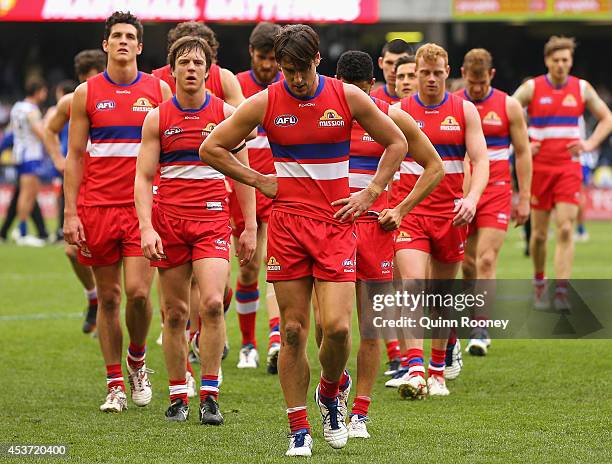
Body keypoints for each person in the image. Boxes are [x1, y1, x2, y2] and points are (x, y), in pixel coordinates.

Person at [200, 24, 407, 457]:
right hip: (289, 227)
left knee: (337, 329)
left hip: (335, 226)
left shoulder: (347, 96)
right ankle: (298, 428)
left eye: (300, 69)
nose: (294, 79)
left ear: (317, 60)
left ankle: (332, 392)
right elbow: (212, 148)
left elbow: (397, 143)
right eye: (286, 70)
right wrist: (259, 180)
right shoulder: (267, 101)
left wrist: (369, 193)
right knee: (292, 331)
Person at [135, 36, 256, 424]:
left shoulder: (225, 114)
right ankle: (176, 396)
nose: (191, 68)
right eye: (183, 62)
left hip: (211, 222)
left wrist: (249, 225)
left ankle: (209, 394)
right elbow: (143, 176)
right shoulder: (157, 117)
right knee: (174, 314)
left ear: (209, 70)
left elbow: (242, 174)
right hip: (169, 223)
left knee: (211, 304)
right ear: (172, 70)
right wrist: (146, 227)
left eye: (197, 63)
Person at [63, 11, 172, 413]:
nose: (123, 41)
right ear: (106, 44)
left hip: (141, 210)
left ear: (140, 46)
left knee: (139, 294)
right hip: (97, 209)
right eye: (117, 36)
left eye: (130, 36)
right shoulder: (85, 94)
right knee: (108, 298)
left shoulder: (159, 91)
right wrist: (70, 213)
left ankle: (138, 362)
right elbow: (74, 157)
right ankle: (114, 384)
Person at [334, 50, 443, 439]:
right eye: (349, 92)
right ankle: (337, 383)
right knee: (329, 327)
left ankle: (360, 414)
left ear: (372, 88)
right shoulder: (323, 114)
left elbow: (435, 166)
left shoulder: (391, 116)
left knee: (370, 326)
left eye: (361, 92)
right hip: (329, 229)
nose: (356, 100)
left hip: (374, 232)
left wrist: (400, 207)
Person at [385, 43, 488, 398]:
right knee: (412, 285)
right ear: (416, 73)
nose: (429, 79)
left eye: (436, 72)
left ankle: (438, 371)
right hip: (409, 214)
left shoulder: (465, 110)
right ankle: (415, 369)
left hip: (450, 216)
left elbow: (480, 160)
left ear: (447, 71)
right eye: (423, 73)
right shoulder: (398, 112)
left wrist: (472, 198)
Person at [513, 36, 612, 310]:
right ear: (547, 61)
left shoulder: (581, 88)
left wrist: (590, 143)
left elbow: (607, 118)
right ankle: (539, 282)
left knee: (566, 228)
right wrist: (522, 142)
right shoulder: (532, 88)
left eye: (565, 60)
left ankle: (561, 292)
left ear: (571, 61)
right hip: (539, 168)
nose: (560, 65)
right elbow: (507, 110)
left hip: (568, 167)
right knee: (540, 235)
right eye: (555, 60)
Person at [456, 48, 532, 357]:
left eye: (481, 82)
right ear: (463, 74)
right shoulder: (455, 104)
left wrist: (524, 196)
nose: (476, 88)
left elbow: (524, 152)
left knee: (487, 260)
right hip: (462, 190)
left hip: (497, 190)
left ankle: (480, 327)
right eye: (471, 82)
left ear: (492, 76)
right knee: (467, 263)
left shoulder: (509, 105)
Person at [43, 49, 106, 334]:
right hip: (82, 183)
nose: (89, 85)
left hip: (113, 184)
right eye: (84, 79)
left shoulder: (122, 95)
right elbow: (49, 129)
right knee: (72, 250)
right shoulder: (75, 99)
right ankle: (94, 297)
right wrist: (58, 159)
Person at [233, 21, 283, 372]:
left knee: (278, 266)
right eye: (262, 57)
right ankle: (247, 344)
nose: (268, 65)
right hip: (245, 187)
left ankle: (276, 339)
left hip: (281, 188)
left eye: (273, 59)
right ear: (252, 53)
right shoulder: (235, 86)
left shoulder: (291, 85)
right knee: (249, 268)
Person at [9, 78, 48, 247]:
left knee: (28, 194)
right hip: (30, 155)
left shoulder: (17, 107)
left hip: (20, 153)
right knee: (27, 194)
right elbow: (39, 132)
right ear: (38, 91)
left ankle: (21, 230)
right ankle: (22, 232)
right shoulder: (31, 110)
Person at [370, 39, 412, 105]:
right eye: (389, 63)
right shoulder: (370, 99)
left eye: (399, 63)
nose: (393, 70)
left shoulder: (425, 99)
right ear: (380, 62)